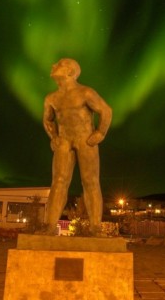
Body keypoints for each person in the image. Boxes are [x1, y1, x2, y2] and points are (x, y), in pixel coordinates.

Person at [42, 58, 112, 236]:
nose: (53, 65)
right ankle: (49, 226)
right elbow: (48, 120)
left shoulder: (85, 92)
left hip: (85, 140)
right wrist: (54, 136)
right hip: (64, 141)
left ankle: (96, 227)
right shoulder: (51, 98)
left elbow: (106, 111)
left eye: (59, 64)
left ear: (70, 72)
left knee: (90, 182)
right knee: (58, 182)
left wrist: (100, 133)